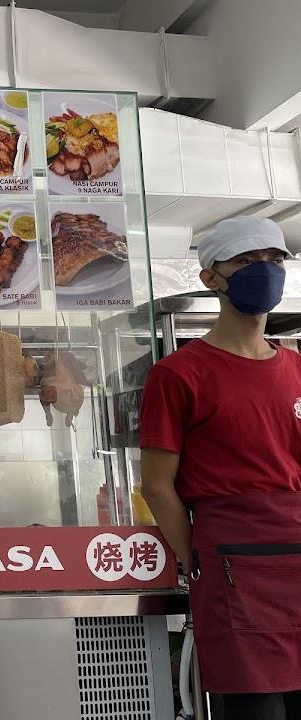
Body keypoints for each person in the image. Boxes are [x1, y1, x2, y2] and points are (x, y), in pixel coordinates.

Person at [139, 216, 301, 718]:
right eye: (246, 261)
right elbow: (157, 487)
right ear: (211, 277)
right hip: (234, 566)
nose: (264, 270)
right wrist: (198, 560)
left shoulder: (297, 369)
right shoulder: (178, 375)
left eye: (274, 260)